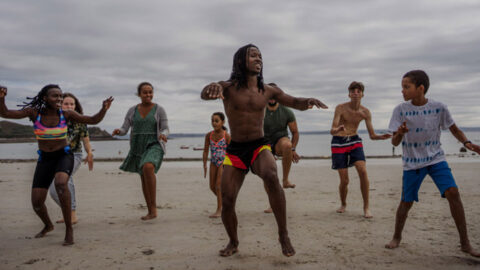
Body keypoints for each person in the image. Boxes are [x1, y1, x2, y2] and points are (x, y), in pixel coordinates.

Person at [201, 44, 328, 257]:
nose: (258, 59)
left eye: (260, 56)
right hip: (235, 151)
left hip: (259, 146)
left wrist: (309, 101)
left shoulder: (268, 90)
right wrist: (211, 86)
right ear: (241, 61)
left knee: (270, 174)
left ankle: (283, 234)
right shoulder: (228, 87)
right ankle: (233, 241)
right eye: (253, 55)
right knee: (228, 198)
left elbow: (294, 102)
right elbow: (206, 94)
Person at [0, 84, 113, 245]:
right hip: (45, 159)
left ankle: (69, 229)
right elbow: (5, 113)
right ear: (45, 98)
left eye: (60, 96)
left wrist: (104, 109)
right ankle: (48, 225)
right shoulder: (34, 113)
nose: (59, 99)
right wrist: (1, 98)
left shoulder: (66, 114)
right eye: (55, 96)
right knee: (37, 202)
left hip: (64, 155)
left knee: (61, 183)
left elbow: (93, 120)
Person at [385, 70, 480, 257]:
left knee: (453, 192)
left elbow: (454, 129)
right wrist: (401, 134)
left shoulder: (439, 107)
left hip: (436, 158)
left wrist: (467, 143)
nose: (402, 91)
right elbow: (394, 142)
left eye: (406, 87)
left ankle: (465, 243)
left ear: (420, 88)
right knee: (406, 202)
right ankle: (397, 236)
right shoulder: (400, 110)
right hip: (412, 163)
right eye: (402, 87)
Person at [330, 81, 391, 218]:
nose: (356, 93)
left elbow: (372, 136)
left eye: (358, 91)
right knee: (344, 180)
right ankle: (343, 204)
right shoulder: (340, 108)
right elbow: (332, 130)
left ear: (362, 94)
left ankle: (366, 207)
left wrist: (382, 137)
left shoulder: (365, 112)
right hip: (339, 142)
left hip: (354, 140)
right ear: (349, 94)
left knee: (362, 171)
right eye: (353, 91)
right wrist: (338, 129)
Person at [112, 82, 169, 221]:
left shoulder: (159, 109)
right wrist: (119, 132)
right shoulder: (132, 110)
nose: (148, 95)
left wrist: (164, 135)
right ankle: (150, 210)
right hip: (137, 146)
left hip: (154, 144)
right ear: (139, 94)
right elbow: (125, 128)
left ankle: (154, 207)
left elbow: (165, 127)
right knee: (143, 176)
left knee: (148, 167)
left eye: (150, 92)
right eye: (145, 92)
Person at [48, 93, 94, 224]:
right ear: (60, 105)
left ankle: (72, 214)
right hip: (56, 156)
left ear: (76, 106)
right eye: (66, 104)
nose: (69, 106)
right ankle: (68, 212)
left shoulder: (80, 121)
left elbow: (86, 140)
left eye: (72, 104)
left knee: (65, 180)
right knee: (53, 190)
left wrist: (89, 153)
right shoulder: (54, 119)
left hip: (75, 155)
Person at [263, 84, 300, 214]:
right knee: (268, 173)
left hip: (280, 140)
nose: (272, 98)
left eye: (274, 95)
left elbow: (295, 132)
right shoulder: (259, 110)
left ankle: (285, 180)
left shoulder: (286, 111)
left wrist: (293, 149)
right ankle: (272, 204)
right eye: (269, 95)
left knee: (287, 146)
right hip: (264, 143)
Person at [202, 112, 231, 218]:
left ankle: (220, 209)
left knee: (219, 185)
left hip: (223, 162)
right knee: (212, 187)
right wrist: (204, 164)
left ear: (222, 122)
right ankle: (225, 202)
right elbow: (205, 151)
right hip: (213, 162)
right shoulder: (208, 135)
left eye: (216, 121)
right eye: (212, 121)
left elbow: (233, 151)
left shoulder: (226, 136)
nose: (214, 123)